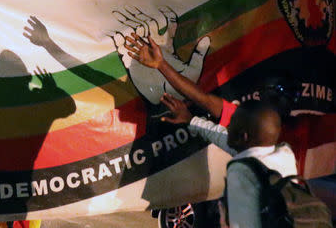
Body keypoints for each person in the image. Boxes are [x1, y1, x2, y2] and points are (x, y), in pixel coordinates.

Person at [124, 33, 336, 175]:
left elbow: (208, 109)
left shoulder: (317, 129)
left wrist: (162, 66)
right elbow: (206, 104)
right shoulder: (255, 141)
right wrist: (161, 65)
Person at [181, 99, 297, 228]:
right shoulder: (285, 154)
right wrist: (191, 120)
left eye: (232, 124)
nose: (227, 127)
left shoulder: (242, 173)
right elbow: (220, 136)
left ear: (244, 137)